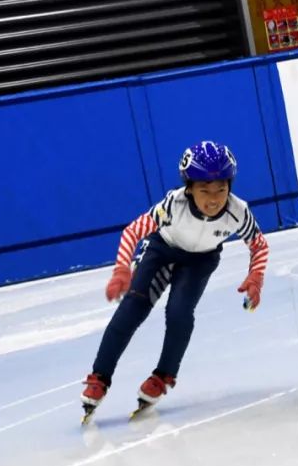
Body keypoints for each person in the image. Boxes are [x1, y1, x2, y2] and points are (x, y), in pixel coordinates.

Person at [80, 141, 269, 423]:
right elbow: (133, 232)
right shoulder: (173, 205)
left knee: (179, 313)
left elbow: (259, 246)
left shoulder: (237, 211)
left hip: (200, 261)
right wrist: (122, 269)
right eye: (204, 190)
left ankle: (164, 374)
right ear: (189, 188)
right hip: (162, 252)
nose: (214, 198)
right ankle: (100, 377)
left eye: (221, 189)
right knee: (132, 309)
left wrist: (256, 275)